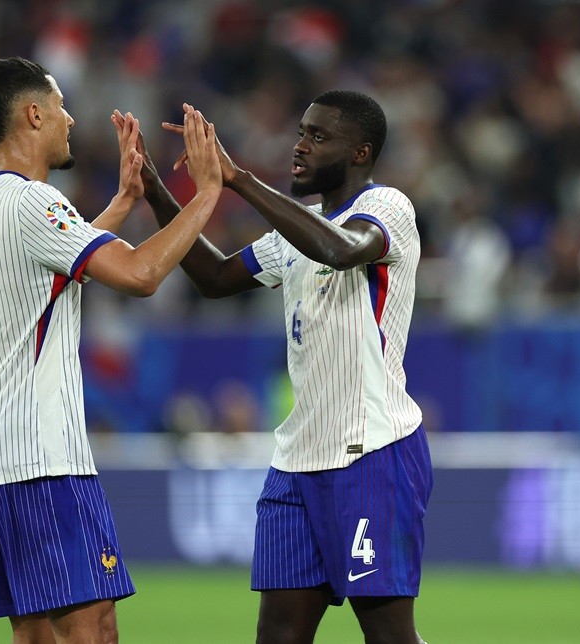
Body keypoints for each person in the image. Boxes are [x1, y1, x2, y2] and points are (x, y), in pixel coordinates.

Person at [130, 91, 433, 643]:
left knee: (389, 635)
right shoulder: (298, 230)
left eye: (319, 137)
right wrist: (154, 190)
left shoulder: (388, 208)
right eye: (301, 132)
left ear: (361, 153)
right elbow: (217, 278)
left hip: (372, 454)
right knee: (277, 636)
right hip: (295, 463)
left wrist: (238, 180)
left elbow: (342, 250)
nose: (300, 145)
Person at [0, 57, 222, 644]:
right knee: (92, 631)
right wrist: (208, 194)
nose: (71, 118)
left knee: (35, 633)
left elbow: (54, 270)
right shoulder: (32, 203)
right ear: (33, 114)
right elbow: (141, 273)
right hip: (39, 457)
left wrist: (124, 202)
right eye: (61, 105)